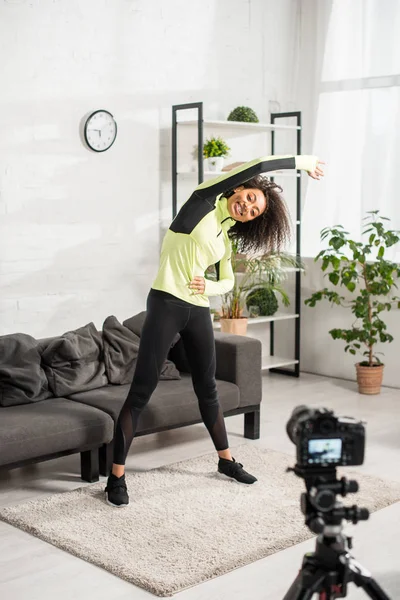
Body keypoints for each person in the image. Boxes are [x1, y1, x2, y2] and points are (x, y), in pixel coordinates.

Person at [105, 154, 325, 507]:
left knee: (207, 387)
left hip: (196, 310)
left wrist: (204, 287)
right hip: (165, 303)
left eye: (254, 212)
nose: (248, 208)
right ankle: (115, 477)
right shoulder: (202, 201)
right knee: (141, 391)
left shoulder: (223, 236)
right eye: (251, 199)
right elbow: (256, 167)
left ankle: (225, 461)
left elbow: (224, 280)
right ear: (242, 187)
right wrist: (300, 162)